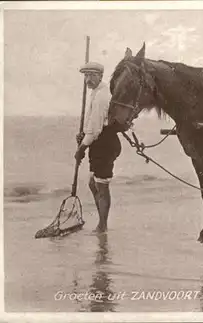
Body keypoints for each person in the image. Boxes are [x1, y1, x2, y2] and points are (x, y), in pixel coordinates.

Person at [75, 62, 121, 233]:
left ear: (100, 76)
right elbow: (92, 125)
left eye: (92, 75)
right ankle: (103, 222)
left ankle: (102, 226)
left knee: (101, 186)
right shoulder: (96, 92)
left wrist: (82, 148)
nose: (88, 79)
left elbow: (96, 128)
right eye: (86, 76)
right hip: (100, 142)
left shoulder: (102, 95)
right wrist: (84, 135)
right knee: (93, 184)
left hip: (105, 143)